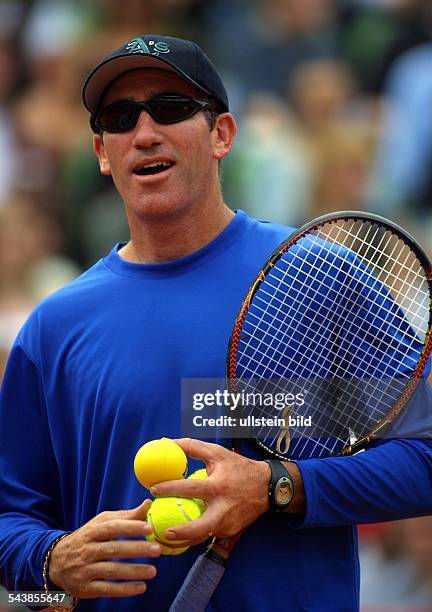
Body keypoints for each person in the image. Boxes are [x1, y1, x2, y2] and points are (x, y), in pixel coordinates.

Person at [0, 34, 431, 612]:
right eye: (121, 117)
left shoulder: (323, 276)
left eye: (173, 108)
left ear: (222, 134)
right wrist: (51, 560)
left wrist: (279, 488)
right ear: (102, 152)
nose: (145, 132)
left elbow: (425, 456)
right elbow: (11, 518)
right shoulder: (54, 328)